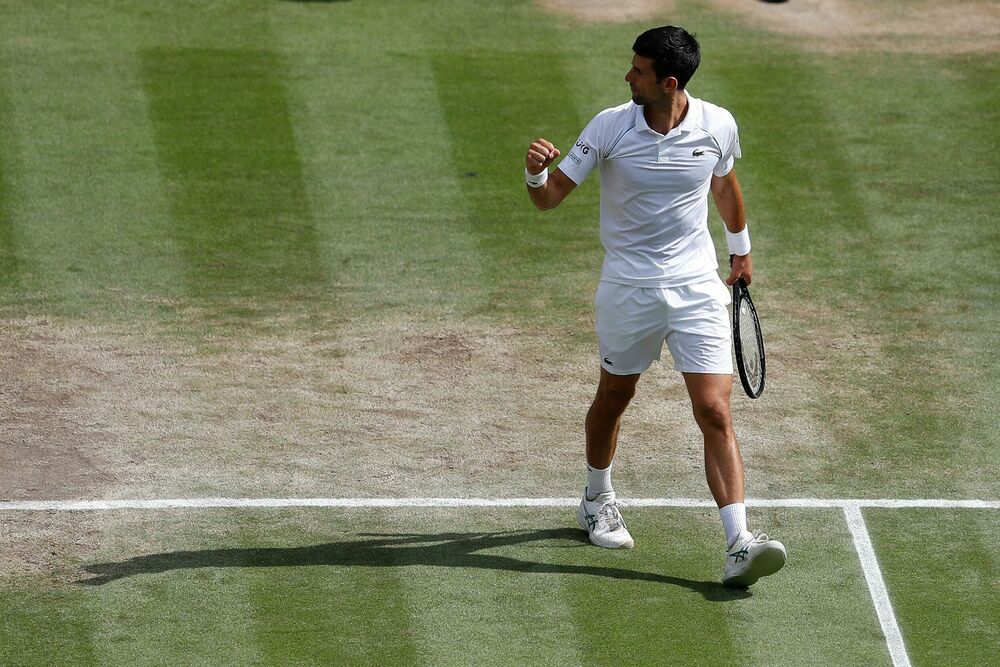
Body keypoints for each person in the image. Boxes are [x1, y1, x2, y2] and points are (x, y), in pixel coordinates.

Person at [523, 26, 785, 587]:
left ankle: (739, 542)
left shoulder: (717, 124)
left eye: (637, 70)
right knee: (614, 398)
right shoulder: (609, 126)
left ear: (669, 83)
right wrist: (535, 171)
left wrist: (741, 250)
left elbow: (723, 184)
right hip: (629, 289)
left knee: (714, 411)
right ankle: (596, 498)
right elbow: (550, 198)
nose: (627, 77)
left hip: (697, 287)